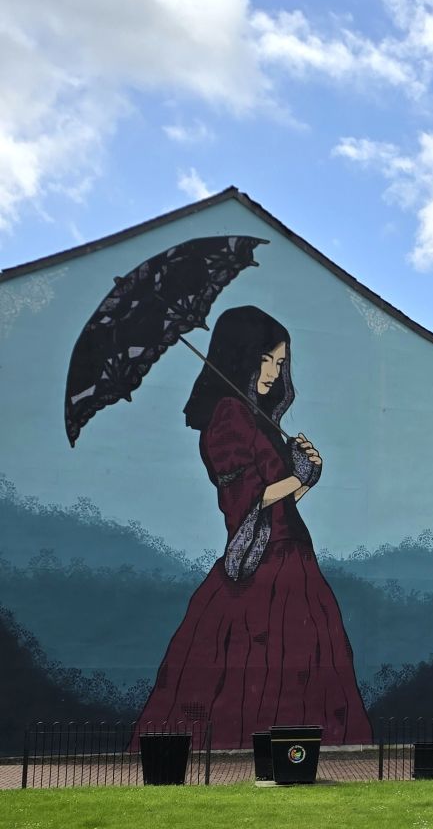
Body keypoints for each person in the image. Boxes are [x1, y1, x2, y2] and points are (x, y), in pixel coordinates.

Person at [134, 305, 372, 748]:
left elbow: (277, 506)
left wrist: (307, 478)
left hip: (292, 558)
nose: (274, 372)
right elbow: (245, 501)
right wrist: (297, 475)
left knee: (307, 674)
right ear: (241, 355)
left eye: (280, 363)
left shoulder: (258, 419)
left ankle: (294, 757)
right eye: (267, 359)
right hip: (265, 570)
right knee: (253, 674)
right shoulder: (228, 415)